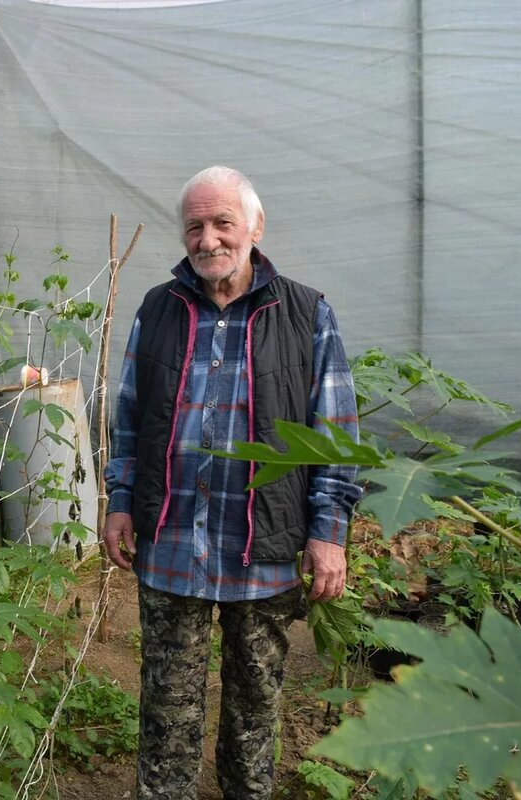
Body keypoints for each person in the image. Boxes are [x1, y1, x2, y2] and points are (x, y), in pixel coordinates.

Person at [101, 166, 362, 799]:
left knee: (254, 711)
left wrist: (328, 531)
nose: (209, 238)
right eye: (195, 226)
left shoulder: (306, 312)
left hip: (262, 547)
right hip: (172, 543)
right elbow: (129, 416)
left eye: (223, 222)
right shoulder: (158, 309)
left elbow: (333, 432)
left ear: (255, 227)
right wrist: (119, 499)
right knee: (167, 709)